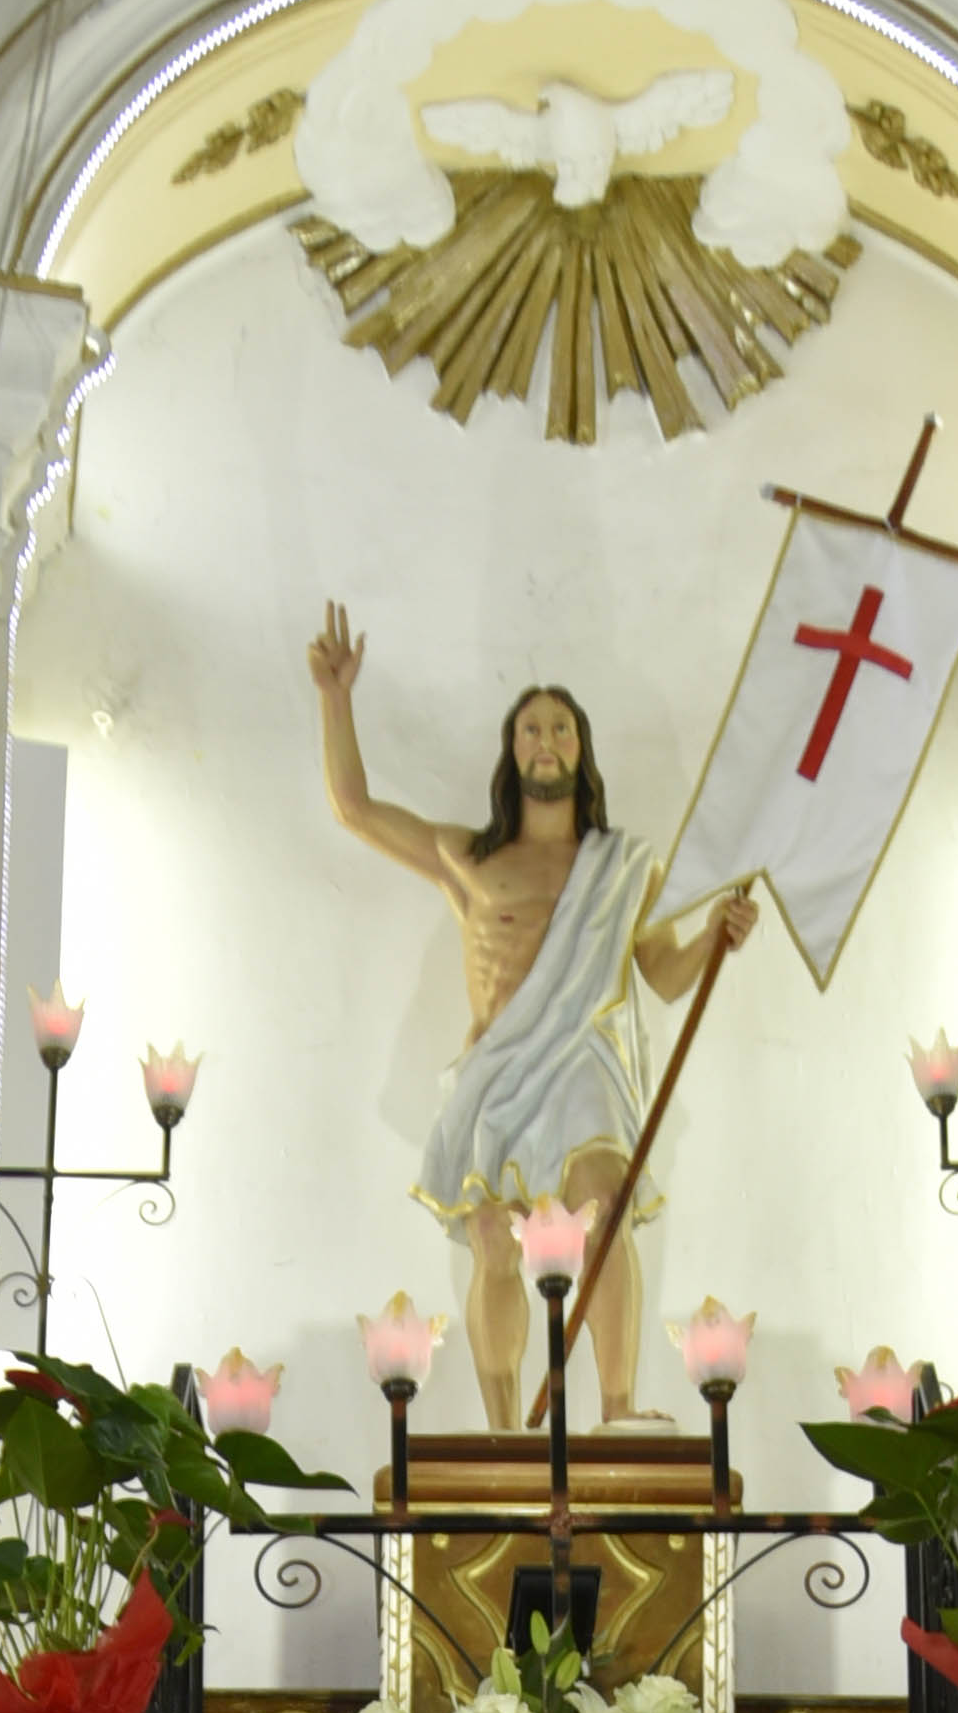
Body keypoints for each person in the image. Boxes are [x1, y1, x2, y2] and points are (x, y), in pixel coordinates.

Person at [309, 609, 756, 1426]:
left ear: (582, 749)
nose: (544, 740)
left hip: (586, 1065)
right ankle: (505, 1432)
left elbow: (663, 976)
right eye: (529, 729)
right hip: (499, 1072)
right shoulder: (471, 858)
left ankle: (617, 1412)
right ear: (511, 752)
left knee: (604, 1206)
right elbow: (353, 807)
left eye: (559, 727)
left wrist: (713, 938)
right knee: (492, 1236)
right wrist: (335, 697)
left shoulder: (625, 868)